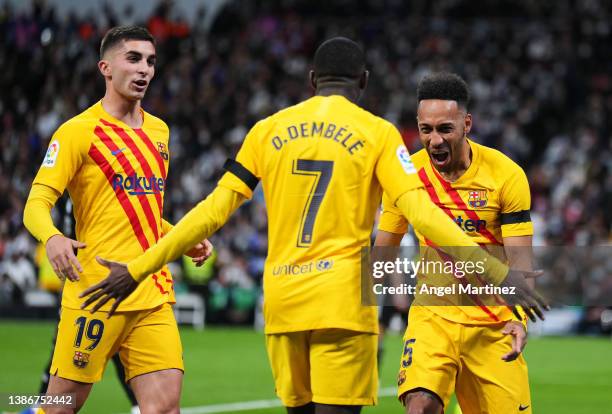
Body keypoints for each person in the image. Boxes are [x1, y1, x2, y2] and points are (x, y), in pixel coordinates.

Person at [81, 38, 546, 414]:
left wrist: (137, 268)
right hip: (342, 306)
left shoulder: (266, 130)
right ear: (362, 81)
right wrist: (498, 272)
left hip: (283, 305)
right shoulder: (379, 133)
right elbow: (423, 215)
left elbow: (210, 212)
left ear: (311, 82)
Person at [23, 25, 211, 414]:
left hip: (150, 290)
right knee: (59, 408)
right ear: (105, 68)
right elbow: (36, 203)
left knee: (163, 408)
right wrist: (53, 238)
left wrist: (181, 236)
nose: (144, 69)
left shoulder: (160, 131)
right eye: (134, 59)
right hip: (96, 291)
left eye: (151, 61)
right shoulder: (78, 132)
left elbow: (142, 211)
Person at [375, 73, 536, 414]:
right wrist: (370, 314)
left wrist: (519, 318)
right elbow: (384, 250)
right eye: (425, 129)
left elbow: (521, 258)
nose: (434, 140)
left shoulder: (505, 175)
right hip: (432, 318)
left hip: (493, 324)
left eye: (445, 128)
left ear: (467, 123)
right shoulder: (405, 176)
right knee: (421, 406)